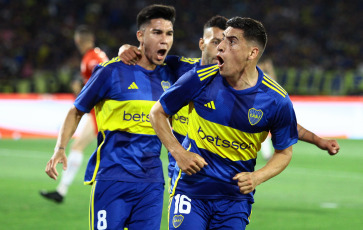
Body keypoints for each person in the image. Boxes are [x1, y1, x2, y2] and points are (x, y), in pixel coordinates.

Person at [119, 16, 340, 175]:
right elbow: (146, 57)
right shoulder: (182, 70)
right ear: (201, 44)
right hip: (185, 165)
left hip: (223, 176)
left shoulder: (245, 85)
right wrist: (126, 48)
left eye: (227, 41)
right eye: (216, 41)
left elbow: (279, 121)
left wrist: (317, 139)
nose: (221, 47)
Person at [149, 17, 298, 229]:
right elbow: (157, 113)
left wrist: (257, 177)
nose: (221, 46)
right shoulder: (200, 78)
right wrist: (178, 153)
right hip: (191, 190)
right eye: (222, 40)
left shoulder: (276, 100)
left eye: (232, 41)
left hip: (235, 200)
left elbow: (284, 151)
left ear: (252, 53)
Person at [44, 4, 177, 230]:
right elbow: (77, 110)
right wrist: (60, 148)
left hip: (152, 182)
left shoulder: (172, 75)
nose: (164, 40)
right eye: (157, 32)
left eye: (169, 33)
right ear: (141, 35)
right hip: (113, 178)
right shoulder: (111, 71)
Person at [40, 25, 109, 203]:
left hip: (101, 111)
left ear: (78, 41)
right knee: (87, 148)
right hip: (101, 109)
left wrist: (81, 91)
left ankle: (62, 191)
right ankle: (61, 191)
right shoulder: (99, 55)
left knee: (79, 148)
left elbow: (102, 81)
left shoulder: (91, 59)